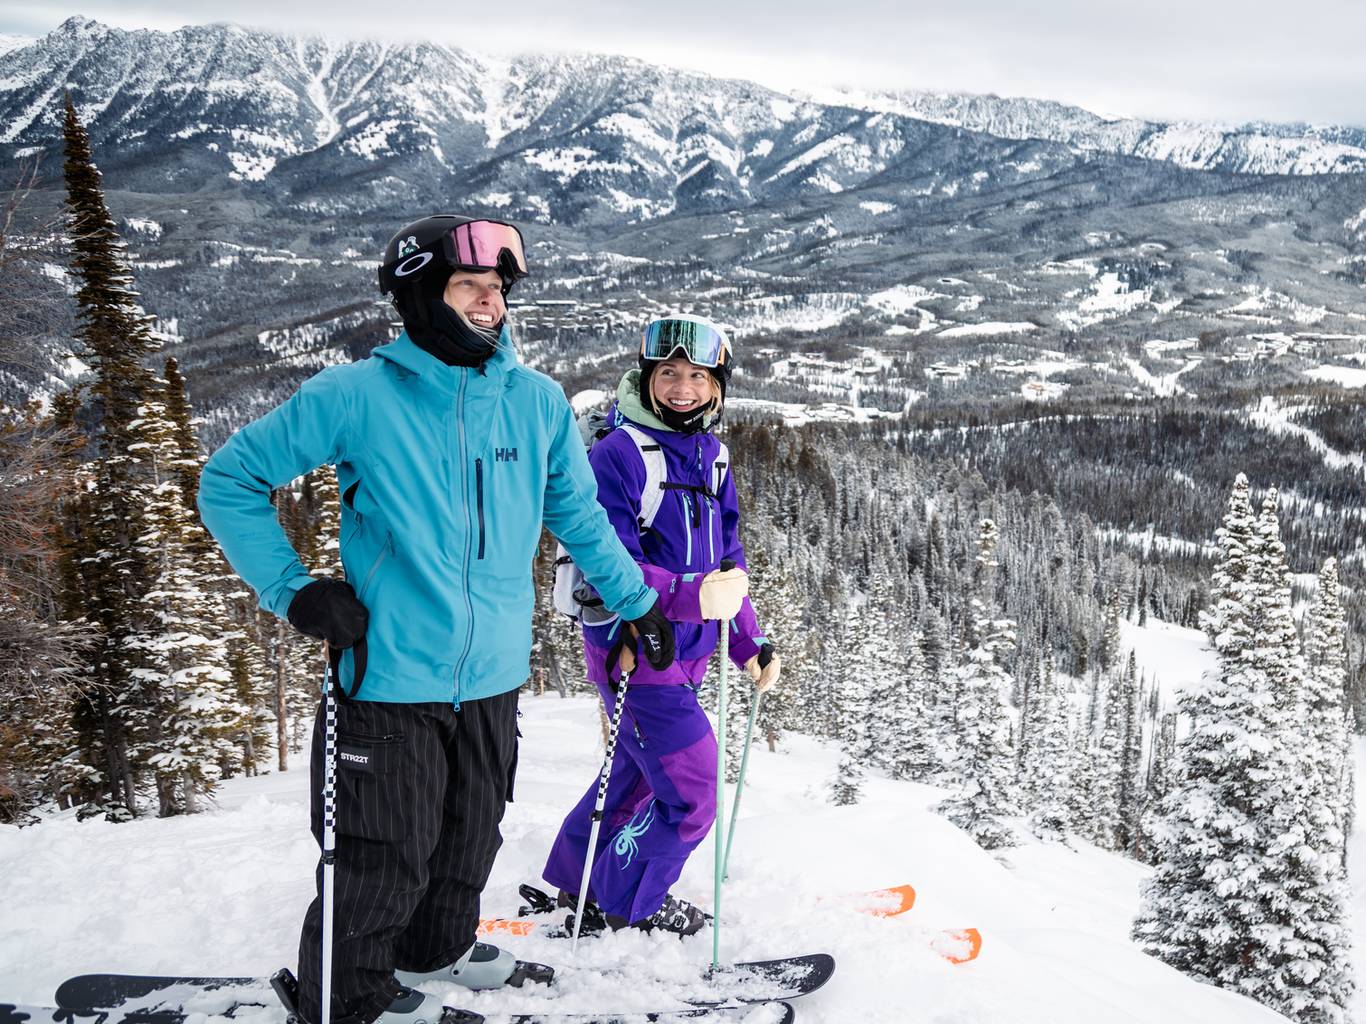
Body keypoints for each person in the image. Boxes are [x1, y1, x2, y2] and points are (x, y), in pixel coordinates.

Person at [197, 215, 676, 1024]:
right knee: (383, 857)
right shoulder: (355, 395)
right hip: (386, 675)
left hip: (491, 676)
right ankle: (345, 997)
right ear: (423, 296)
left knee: (467, 838)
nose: (491, 306)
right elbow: (229, 480)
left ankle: (436, 947)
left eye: (498, 292)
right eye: (472, 289)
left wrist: (637, 603)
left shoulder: (535, 402)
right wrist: (294, 591)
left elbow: (581, 517)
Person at [540, 314, 782, 936]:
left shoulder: (713, 456)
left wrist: (748, 643)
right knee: (694, 791)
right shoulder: (617, 454)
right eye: (669, 373)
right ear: (646, 378)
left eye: (698, 376)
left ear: (717, 386)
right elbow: (607, 558)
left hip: (691, 649)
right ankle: (628, 901)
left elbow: (728, 557)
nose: (682, 387)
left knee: (635, 773)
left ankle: (579, 877)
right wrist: (692, 594)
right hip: (634, 648)